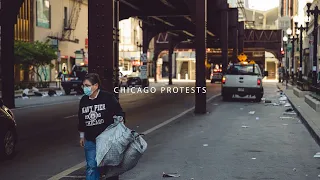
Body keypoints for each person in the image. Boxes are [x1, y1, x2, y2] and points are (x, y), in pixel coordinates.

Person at [78, 73, 124, 180]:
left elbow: (119, 112)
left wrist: (120, 127)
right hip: (90, 139)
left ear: (96, 85)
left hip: (107, 139)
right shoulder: (84, 100)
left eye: (87, 85)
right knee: (91, 166)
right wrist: (81, 136)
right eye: (83, 86)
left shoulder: (108, 97)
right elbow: (81, 119)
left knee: (110, 166)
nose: (85, 88)